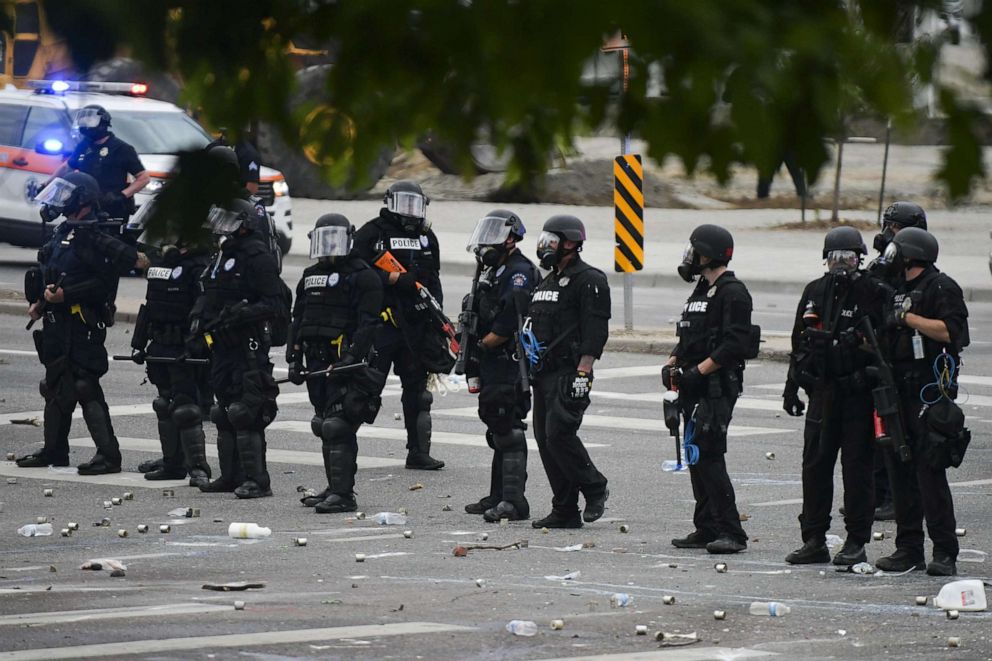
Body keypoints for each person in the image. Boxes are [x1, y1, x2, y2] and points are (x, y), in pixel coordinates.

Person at [17, 172, 142, 474]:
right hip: (56, 322)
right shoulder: (63, 231)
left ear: (82, 199)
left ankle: (109, 455)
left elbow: (104, 282)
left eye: (66, 193)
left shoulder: (96, 234)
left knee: (85, 385)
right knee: (55, 384)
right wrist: (40, 302)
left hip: (83, 322)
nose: (59, 200)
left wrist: (66, 295)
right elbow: (52, 273)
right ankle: (54, 451)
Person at [782, 227, 885, 566]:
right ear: (825, 260)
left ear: (860, 259)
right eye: (834, 258)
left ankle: (856, 540)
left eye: (848, 258)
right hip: (821, 392)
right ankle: (814, 538)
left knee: (857, 469)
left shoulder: (872, 291)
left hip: (856, 394)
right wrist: (791, 387)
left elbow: (883, 343)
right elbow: (799, 342)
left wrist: (863, 365)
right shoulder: (815, 290)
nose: (841, 264)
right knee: (814, 466)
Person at [875, 227, 969, 576]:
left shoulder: (940, 287)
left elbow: (951, 332)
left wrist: (908, 318)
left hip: (929, 393)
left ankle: (945, 551)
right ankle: (908, 547)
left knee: (930, 474)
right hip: (896, 390)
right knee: (900, 471)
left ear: (911, 254)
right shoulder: (895, 288)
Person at [189, 198, 287, 498]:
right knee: (222, 412)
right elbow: (210, 291)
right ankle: (229, 476)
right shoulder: (224, 253)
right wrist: (198, 320)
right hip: (222, 344)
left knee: (246, 412)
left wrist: (245, 314)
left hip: (248, 344)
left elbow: (277, 303)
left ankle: (258, 480)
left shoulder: (258, 256)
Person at [665, 224, 753, 554]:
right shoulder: (701, 290)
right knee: (696, 455)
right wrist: (674, 362)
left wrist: (698, 372)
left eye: (696, 251)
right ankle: (706, 527)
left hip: (716, 387)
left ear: (710, 254)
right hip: (693, 385)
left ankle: (731, 531)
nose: (691, 257)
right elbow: (688, 336)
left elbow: (735, 344)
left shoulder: (733, 293)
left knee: (710, 454)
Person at [288, 213, 386, 513]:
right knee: (323, 423)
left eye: (335, 238)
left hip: (345, 363)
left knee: (338, 426)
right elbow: (299, 318)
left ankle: (344, 495)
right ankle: (333, 487)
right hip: (316, 362)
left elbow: (369, 324)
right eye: (324, 238)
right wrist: (293, 358)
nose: (329, 246)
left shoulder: (363, 275)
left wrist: (350, 359)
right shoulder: (310, 275)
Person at [524, 215, 610, 529]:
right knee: (546, 442)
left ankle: (594, 486)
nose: (546, 246)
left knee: (560, 434)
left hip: (570, 372)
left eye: (553, 240)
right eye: (544, 240)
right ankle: (564, 509)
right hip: (542, 373)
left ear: (571, 243)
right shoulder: (546, 280)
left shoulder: (589, 280)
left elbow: (595, 330)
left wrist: (583, 372)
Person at [354, 180, 446, 470]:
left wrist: (437, 318)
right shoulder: (371, 233)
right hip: (381, 325)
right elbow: (354, 273)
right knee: (365, 388)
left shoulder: (427, 237)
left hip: (416, 325)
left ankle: (418, 452)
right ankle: (341, 445)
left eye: (414, 204)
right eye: (403, 204)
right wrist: (391, 279)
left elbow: (434, 280)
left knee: (418, 392)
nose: (409, 212)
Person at [462, 210, 539, 522]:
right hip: (491, 361)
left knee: (507, 428)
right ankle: (497, 495)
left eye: (495, 233)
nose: (486, 242)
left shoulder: (518, 272)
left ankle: (514, 501)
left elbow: (508, 323)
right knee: (496, 427)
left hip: (509, 362)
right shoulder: (491, 270)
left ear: (511, 238)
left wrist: (482, 345)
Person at [129, 214, 214, 487]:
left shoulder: (199, 267)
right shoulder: (162, 265)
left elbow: (204, 312)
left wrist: (195, 346)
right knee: (164, 404)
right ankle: (172, 463)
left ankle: (198, 468)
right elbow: (149, 306)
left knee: (187, 408)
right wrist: (138, 344)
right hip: (160, 343)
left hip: (184, 346)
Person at [867, 201, 928, 521]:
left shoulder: (916, 268)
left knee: (896, 432)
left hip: (906, 363)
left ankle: (894, 496)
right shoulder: (885, 264)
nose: (887, 233)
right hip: (879, 352)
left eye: (893, 227)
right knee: (876, 434)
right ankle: (877, 495)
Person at [53, 105, 150, 221]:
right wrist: (46, 185)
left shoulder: (121, 149)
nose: (86, 126)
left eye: (90, 121)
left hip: (112, 209)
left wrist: (121, 196)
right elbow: (67, 168)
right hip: (86, 206)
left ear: (103, 124)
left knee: (108, 239)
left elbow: (143, 178)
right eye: (84, 122)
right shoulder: (84, 145)